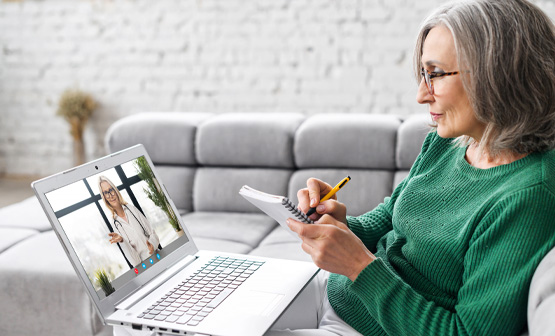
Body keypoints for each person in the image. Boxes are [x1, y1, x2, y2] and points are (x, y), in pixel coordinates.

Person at [271, 0, 555, 335]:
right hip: (334, 294)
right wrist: (340, 225)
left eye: (434, 74)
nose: (421, 95)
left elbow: (464, 332)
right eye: (423, 74)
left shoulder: (528, 197)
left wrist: (360, 268)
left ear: (499, 73)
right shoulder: (450, 141)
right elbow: (392, 218)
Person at [99, 175, 160, 267]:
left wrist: (152, 244)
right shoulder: (115, 223)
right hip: (145, 267)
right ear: (104, 197)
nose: (110, 195)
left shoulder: (131, 209)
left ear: (115, 190)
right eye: (106, 193)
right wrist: (122, 241)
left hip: (157, 256)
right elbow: (135, 262)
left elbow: (152, 233)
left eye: (111, 190)